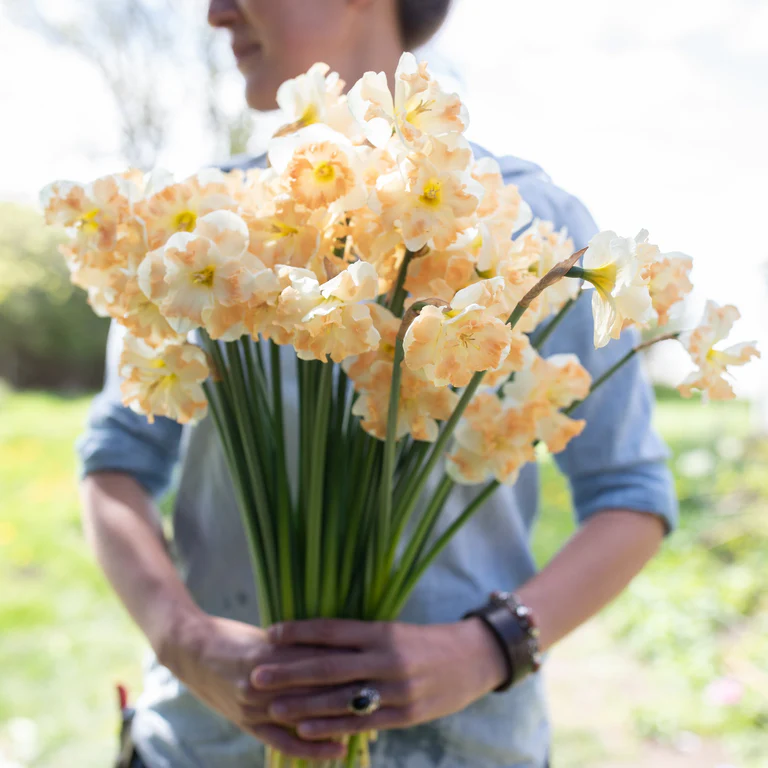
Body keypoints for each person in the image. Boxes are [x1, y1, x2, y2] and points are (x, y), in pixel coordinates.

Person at [79, 1, 678, 766]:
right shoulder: (191, 222)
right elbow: (113, 461)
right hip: (203, 743)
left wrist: (487, 650)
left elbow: (632, 493)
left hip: (459, 746)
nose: (213, 10)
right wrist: (185, 640)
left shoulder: (531, 229)